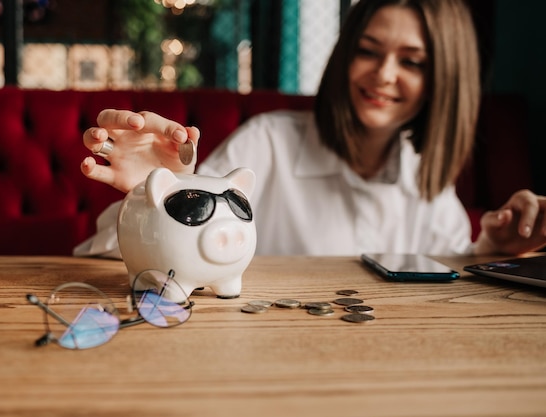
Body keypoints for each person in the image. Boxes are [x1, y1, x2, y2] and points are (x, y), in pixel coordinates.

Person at [74, 0, 546, 259]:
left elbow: (446, 264)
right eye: (368, 50)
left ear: (441, 80)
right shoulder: (269, 142)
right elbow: (114, 258)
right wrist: (152, 197)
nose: (383, 74)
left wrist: (497, 249)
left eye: (412, 62)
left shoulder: (424, 171)